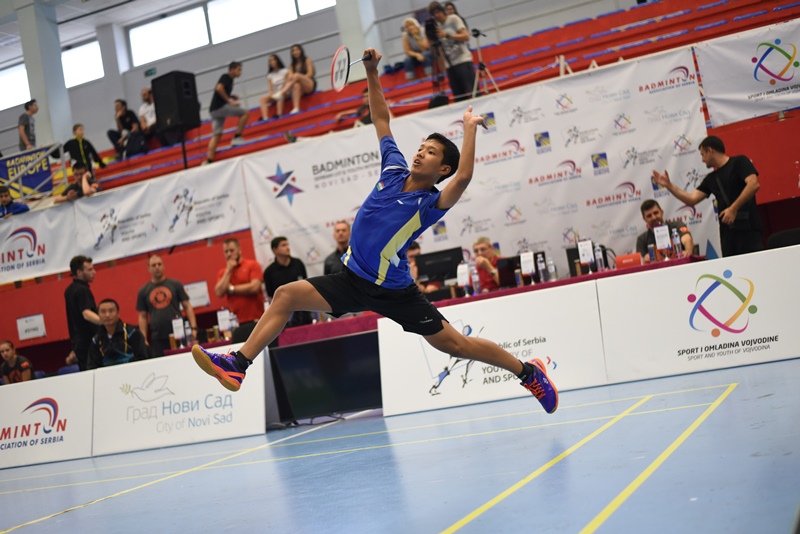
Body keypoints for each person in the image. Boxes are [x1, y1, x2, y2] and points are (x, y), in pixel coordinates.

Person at [191, 48, 558, 416]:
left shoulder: (429, 204)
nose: (420, 153)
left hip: (393, 291)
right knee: (285, 295)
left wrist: (468, 130)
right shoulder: (393, 169)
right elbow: (381, 117)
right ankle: (238, 364)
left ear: (442, 169)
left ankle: (529, 372)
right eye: (421, 147)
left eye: (431, 153)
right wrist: (371, 71)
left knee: (455, 345)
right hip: (351, 279)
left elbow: (463, 177)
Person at [652, 135, 763, 257]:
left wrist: (733, 209)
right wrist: (669, 185)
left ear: (710, 150)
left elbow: (753, 184)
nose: (702, 160)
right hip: (728, 236)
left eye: (702, 154)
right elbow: (691, 199)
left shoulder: (739, 162)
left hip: (749, 230)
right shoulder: (711, 178)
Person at [137, 254, 198, 357]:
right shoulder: (143, 291)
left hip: (179, 334)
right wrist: (143, 339)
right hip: (158, 338)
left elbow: (187, 306)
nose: (157, 267)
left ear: (163, 266)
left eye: (159, 264)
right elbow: (142, 316)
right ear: (149, 268)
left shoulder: (175, 284)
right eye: (154, 265)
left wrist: (193, 328)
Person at [214, 238, 264, 342]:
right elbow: (219, 292)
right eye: (226, 252)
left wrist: (231, 289)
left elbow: (254, 287)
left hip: (257, 320)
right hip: (237, 324)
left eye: (232, 250)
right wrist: (228, 270)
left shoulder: (252, 265)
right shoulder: (223, 272)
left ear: (239, 250)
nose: (229, 254)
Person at [429, 1, 475, 102]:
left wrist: (447, 35)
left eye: (438, 12)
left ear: (442, 11)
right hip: (450, 66)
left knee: (473, 92)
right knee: (459, 98)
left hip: (463, 60)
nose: (436, 16)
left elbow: (466, 36)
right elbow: (439, 51)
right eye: (434, 14)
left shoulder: (453, 19)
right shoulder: (436, 27)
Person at [262, 237, 313, 328]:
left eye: (287, 244)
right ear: (275, 250)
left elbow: (306, 285)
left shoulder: (298, 264)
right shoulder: (269, 272)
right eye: (283, 245)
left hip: (303, 311)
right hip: (283, 317)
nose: (287, 247)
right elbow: (271, 296)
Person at [205, 62, 248, 165]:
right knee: (245, 113)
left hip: (214, 110)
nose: (240, 72)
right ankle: (237, 137)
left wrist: (231, 96)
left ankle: (209, 160)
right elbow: (219, 88)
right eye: (239, 70)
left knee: (217, 134)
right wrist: (230, 101)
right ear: (232, 69)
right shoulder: (226, 77)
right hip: (220, 108)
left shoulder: (230, 80)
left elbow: (221, 91)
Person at [87, 299, 148, 369]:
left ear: (118, 314)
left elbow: (142, 358)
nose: (107, 315)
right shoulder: (96, 340)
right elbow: (92, 365)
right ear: (98, 315)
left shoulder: (132, 333)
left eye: (111, 311)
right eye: (103, 312)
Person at [64, 255, 101, 371]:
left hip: (78, 343)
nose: (94, 272)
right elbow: (86, 313)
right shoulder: (82, 290)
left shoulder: (69, 290)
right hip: (88, 343)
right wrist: (105, 322)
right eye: (90, 270)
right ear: (79, 272)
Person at [279, 44, 316, 115]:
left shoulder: (307, 60)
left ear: (300, 51)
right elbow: (290, 78)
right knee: (296, 85)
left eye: (296, 50)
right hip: (300, 87)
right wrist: (294, 78)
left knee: (297, 75)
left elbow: (310, 74)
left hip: (309, 83)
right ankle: (296, 107)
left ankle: (282, 91)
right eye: (293, 51)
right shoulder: (291, 66)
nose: (295, 52)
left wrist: (300, 77)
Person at [259, 54, 289, 121]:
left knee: (280, 95)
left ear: (277, 60)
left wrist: (280, 92)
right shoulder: (270, 75)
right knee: (262, 99)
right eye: (270, 61)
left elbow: (287, 84)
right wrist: (271, 94)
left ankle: (279, 114)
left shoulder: (285, 71)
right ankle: (265, 118)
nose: (272, 62)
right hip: (276, 93)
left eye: (273, 60)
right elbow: (271, 89)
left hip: (285, 92)